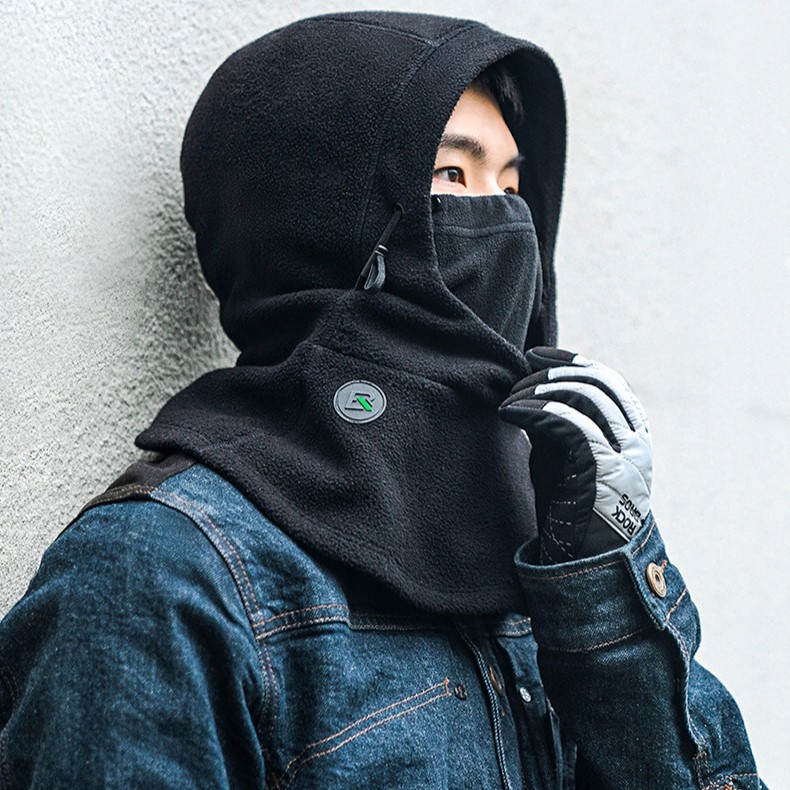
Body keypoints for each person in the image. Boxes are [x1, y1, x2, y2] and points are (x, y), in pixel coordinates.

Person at [0, 11, 764, 789]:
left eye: (512, 187)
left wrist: (608, 587)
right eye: (452, 178)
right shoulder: (159, 576)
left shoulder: (545, 552)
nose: (508, 224)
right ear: (316, 217)